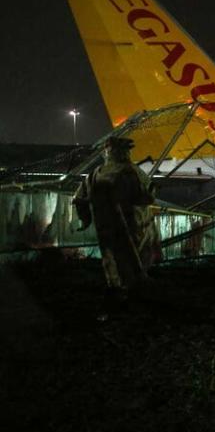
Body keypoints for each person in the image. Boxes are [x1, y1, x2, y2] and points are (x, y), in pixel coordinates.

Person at [73, 136, 156, 318]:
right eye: (125, 149)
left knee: (112, 261)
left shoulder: (94, 174)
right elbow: (147, 197)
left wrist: (86, 220)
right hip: (134, 228)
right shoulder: (132, 172)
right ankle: (132, 299)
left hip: (107, 229)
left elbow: (79, 200)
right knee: (135, 260)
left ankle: (117, 294)